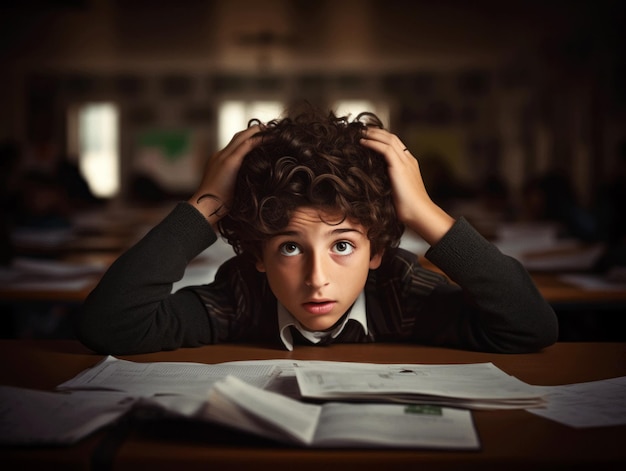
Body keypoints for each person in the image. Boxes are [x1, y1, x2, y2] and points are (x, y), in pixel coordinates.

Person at [77, 106, 558, 355]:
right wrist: (206, 205)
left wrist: (426, 213)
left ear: (377, 251)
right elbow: (109, 325)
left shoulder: (405, 293)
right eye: (290, 247)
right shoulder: (243, 295)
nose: (317, 279)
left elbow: (530, 326)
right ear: (257, 257)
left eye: (343, 245)